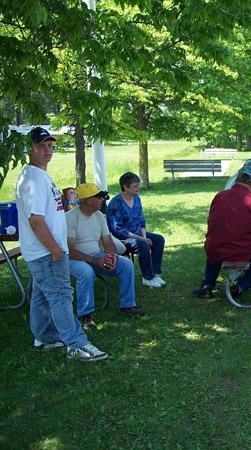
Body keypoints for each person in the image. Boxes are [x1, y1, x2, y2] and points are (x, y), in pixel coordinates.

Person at [15, 127, 108, 362]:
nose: (47, 150)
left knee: (42, 296)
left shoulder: (39, 175)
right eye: (41, 146)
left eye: (50, 145)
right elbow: (36, 221)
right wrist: (56, 250)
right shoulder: (33, 179)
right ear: (29, 149)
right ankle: (77, 344)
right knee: (60, 296)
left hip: (45, 251)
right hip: (46, 252)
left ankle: (45, 338)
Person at [193, 166, 251, 299]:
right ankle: (240, 287)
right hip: (239, 249)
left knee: (216, 247)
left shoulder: (220, 196)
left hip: (213, 246)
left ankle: (207, 286)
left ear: (237, 179)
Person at [67, 183, 145, 329]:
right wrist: (94, 260)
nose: (103, 199)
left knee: (126, 264)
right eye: (100, 197)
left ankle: (128, 306)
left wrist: (112, 256)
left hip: (95, 256)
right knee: (86, 272)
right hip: (74, 259)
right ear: (89, 200)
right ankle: (85, 316)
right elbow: (70, 250)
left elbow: (107, 241)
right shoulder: (70, 217)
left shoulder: (99, 216)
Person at [107, 172, 166, 288]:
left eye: (138, 185)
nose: (138, 188)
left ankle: (155, 274)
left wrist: (144, 236)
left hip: (138, 234)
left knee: (159, 239)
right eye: (134, 186)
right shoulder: (116, 203)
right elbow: (118, 229)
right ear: (125, 187)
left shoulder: (137, 199)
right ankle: (147, 277)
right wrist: (142, 239)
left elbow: (141, 220)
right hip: (122, 238)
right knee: (143, 244)